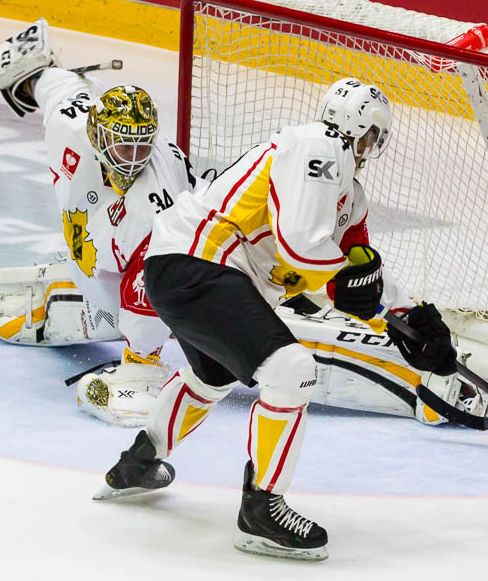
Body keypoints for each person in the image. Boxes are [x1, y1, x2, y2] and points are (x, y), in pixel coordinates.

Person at [94, 77, 459, 562]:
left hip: (188, 271)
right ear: (357, 128)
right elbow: (303, 246)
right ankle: (262, 509)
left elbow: (353, 265)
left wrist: (408, 317)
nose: (374, 146)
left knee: (213, 375)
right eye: (373, 134)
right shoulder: (319, 145)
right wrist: (361, 291)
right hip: (200, 264)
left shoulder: (348, 189)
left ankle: (138, 463)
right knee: (291, 370)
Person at [0, 19, 197, 426]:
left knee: (157, 284)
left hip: (143, 275)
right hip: (97, 254)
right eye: (123, 144)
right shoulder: (71, 122)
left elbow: (164, 272)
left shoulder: (159, 200)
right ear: (98, 135)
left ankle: (144, 358)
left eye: (142, 145)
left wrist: (141, 360)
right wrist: (30, 77)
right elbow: (52, 82)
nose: (133, 158)